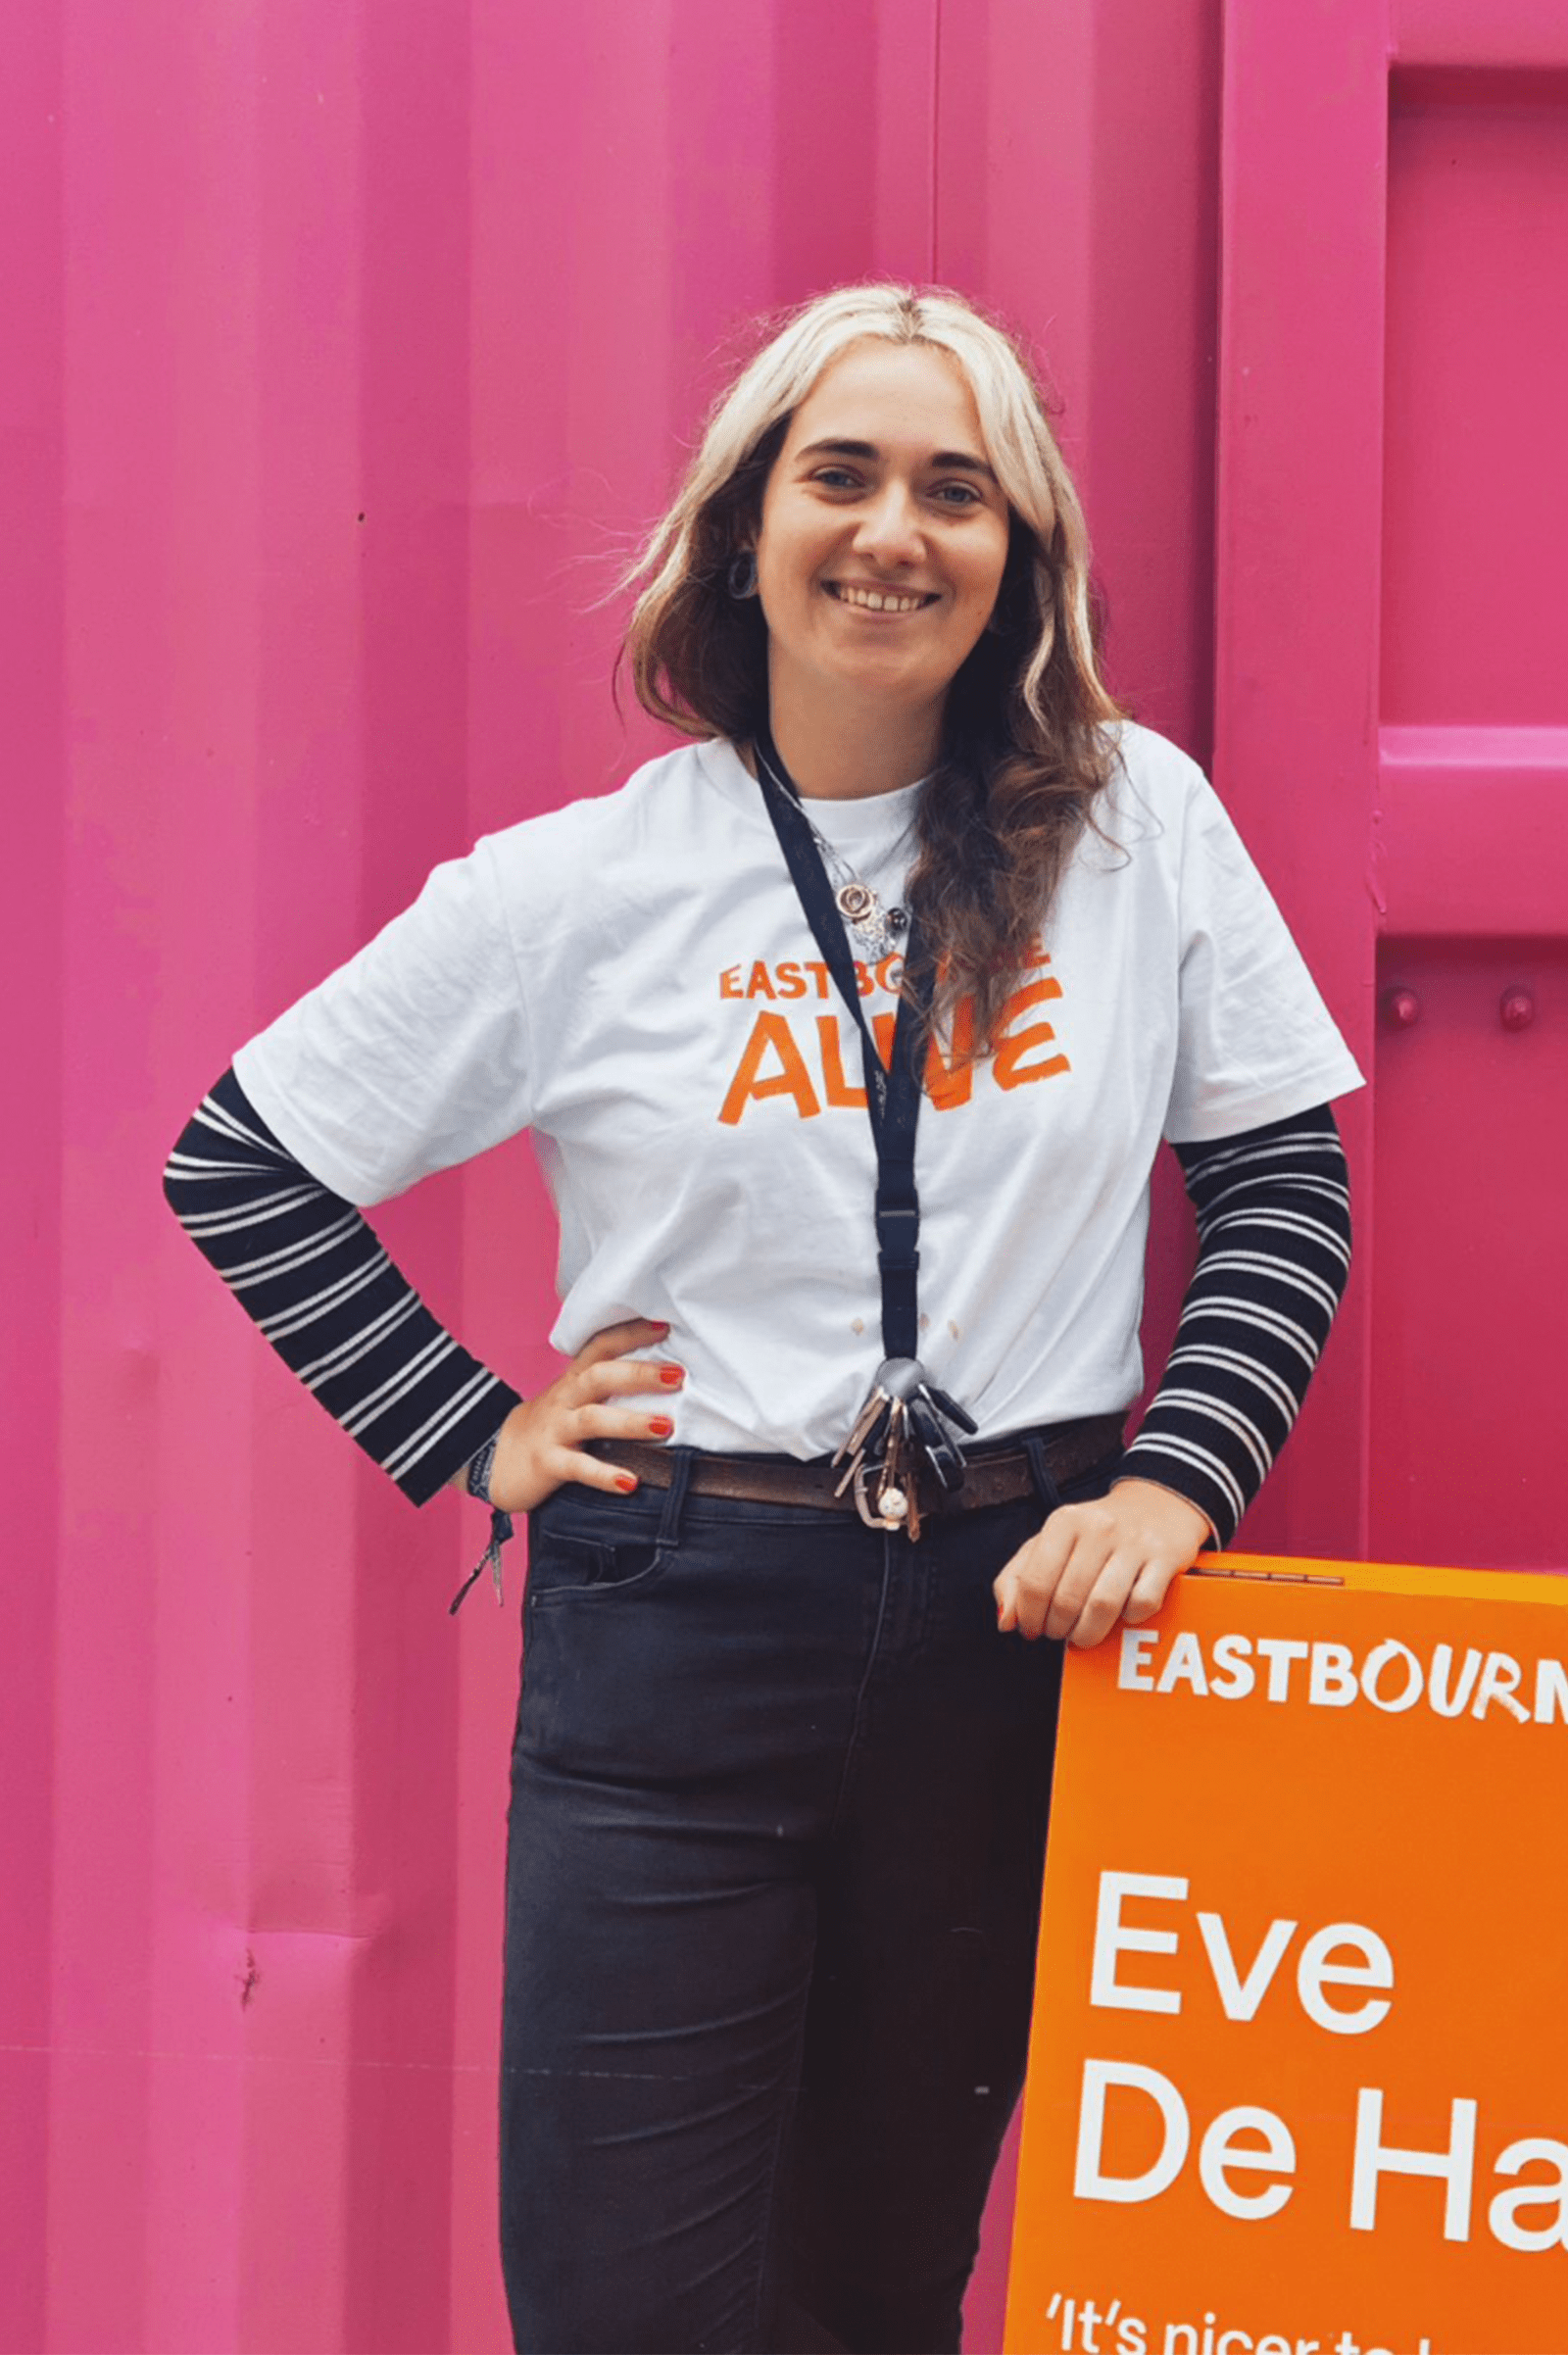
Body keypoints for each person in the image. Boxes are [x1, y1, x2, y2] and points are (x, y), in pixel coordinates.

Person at [163, 280, 1363, 2355]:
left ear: (1019, 559)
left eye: (956, 490)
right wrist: (470, 1429)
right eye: (841, 475)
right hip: (682, 1625)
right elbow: (241, 1163)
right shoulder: (583, 890)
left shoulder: (1134, 824)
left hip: (1014, 1626)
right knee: (631, 2306)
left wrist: (1181, 1478)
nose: (894, 530)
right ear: (741, 532)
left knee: (881, 2289)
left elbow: (1279, 1182)